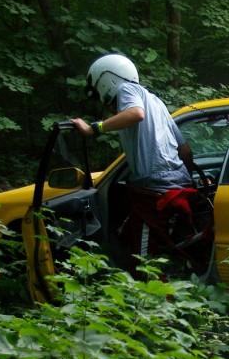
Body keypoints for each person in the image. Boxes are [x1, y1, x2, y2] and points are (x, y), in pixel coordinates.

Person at [72, 54, 208, 274]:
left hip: (154, 190)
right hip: (179, 183)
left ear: (107, 79)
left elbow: (135, 113)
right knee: (179, 246)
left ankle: (148, 296)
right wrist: (189, 180)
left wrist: (93, 128)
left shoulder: (127, 91)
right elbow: (184, 150)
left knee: (143, 256)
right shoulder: (156, 101)